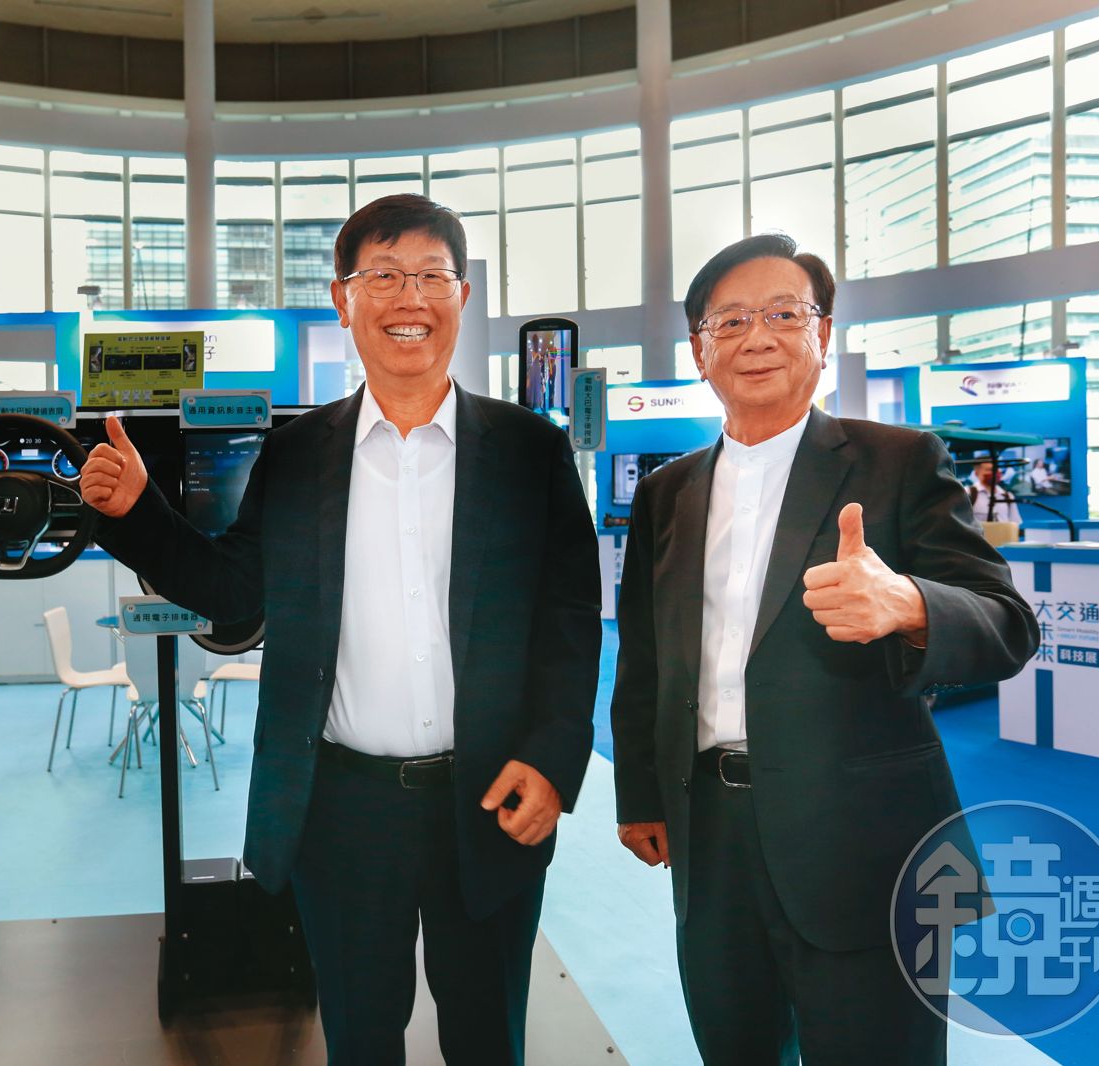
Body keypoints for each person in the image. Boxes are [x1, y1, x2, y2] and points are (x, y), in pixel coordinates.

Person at [81, 193, 601, 1064]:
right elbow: (234, 593)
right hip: (341, 809)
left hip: (490, 794)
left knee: (488, 1037)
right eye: (384, 276)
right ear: (343, 299)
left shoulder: (527, 451)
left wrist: (552, 758)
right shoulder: (298, 454)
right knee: (359, 1038)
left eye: (432, 275)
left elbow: (570, 619)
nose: (410, 299)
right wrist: (140, 513)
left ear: (462, 296)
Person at [610, 233, 1039, 1065]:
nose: (757, 338)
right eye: (731, 321)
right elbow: (645, 658)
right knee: (735, 1044)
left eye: (783, 314)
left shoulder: (899, 461)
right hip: (711, 837)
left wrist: (910, 604)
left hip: (861, 839)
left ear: (824, 334)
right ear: (700, 351)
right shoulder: (668, 492)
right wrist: (640, 794)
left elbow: (1007, 623)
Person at [966, 459, 1023, 524]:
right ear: (977, 473)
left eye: (997, 469)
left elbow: (1014, 524)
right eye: (990, 470)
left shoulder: (1008, 496)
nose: (995, 473)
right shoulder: (967, 493)